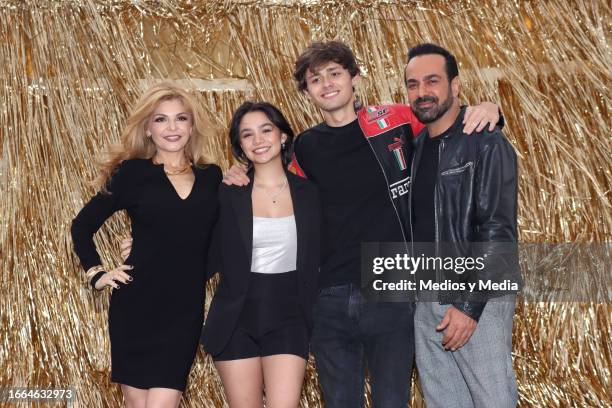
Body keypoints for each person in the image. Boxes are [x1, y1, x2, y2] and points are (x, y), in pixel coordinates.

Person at [224, 41, 502, 407]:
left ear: (355, 78)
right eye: (315, 80)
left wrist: (489, 111)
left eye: (335, 73)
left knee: (392, 400)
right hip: (329, 296)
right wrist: (237, 174)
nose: (327, 84)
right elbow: (272, 182)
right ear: (307, 92)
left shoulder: (397, 120)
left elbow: (445, 117)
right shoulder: (305, 147)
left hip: (391, 288)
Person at [71, 81, 221, 408]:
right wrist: (98, 273)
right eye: (161, 119)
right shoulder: (131, 173)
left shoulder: (212, 177)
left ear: (192, 125)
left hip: (184, 311)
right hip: (135, 306)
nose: (172, 127)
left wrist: (189, 269)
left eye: (181, 118)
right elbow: (81, 227)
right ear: (148, 128)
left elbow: (219, 240)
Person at [405, 43, 521, 407]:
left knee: (492, 401)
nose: (422, 92)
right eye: (412, 84)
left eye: (432, 81)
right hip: (427, 301)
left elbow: (497, 229)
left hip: (476, 297)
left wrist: (469, 305)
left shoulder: (485, 141)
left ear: (455, 86)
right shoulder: (417, 144)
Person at [201, 102, 321, 407]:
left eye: (266, 130)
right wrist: (146, 245)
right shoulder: (228, 192)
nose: (259, 140)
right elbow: (197, 241)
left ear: (282, 136)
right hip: (236, 320)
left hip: (290, 317)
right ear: (240, 145)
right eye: (248, 134)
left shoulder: (310, 193)